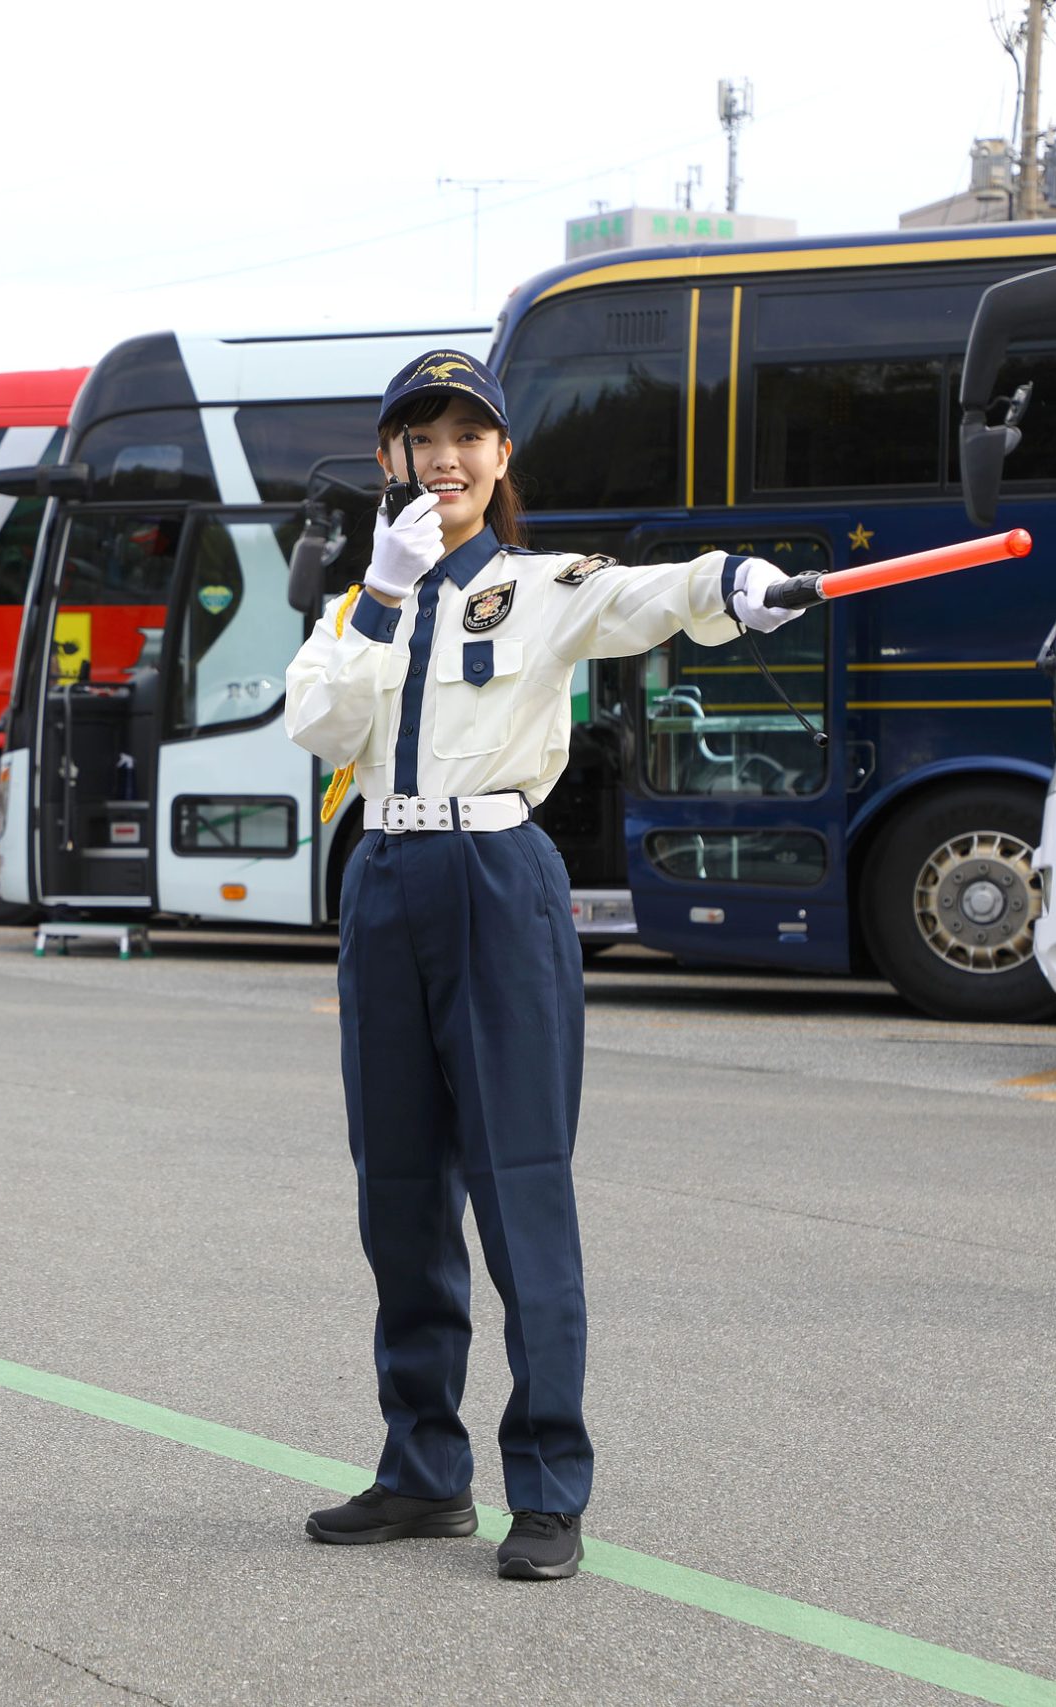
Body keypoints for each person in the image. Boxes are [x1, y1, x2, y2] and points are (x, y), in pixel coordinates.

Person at [284, 351, 804, 1578]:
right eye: (422, 437)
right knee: (397, 1192)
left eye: (470, 435)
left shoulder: (540, 586)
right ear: (390, 463)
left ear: (502, 458)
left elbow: (647, 596)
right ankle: (422, 1473)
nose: (446, 457)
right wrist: (379, 595)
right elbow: (319, 726)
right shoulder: (357, 607)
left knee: (522, 1187)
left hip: (498, 879)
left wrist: (741, 582)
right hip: (385, 882)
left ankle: (550, 1490)